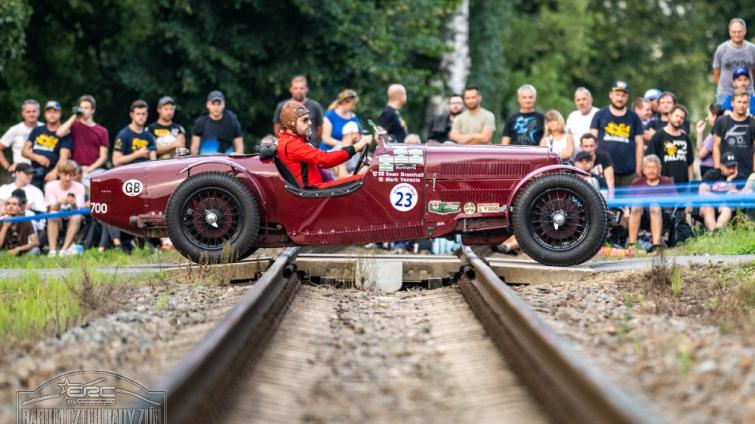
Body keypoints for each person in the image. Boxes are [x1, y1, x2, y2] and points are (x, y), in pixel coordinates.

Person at [277, 101, 371, 188]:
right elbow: (325, 159)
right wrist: (357, 147)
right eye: (304, 120)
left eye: (309, 119)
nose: (310, 123)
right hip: (312, 195)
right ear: (291, 124)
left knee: (363, 178)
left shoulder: (295, 140)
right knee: (363, 178)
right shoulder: (291, 144)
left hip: (317, 191)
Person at [590, 80, 645, 186]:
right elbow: (592, 140)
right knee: (603, 201)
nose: (620, 98)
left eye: (623, 95)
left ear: (627, 97)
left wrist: (638, 169)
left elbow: (640, 144)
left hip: (629, 172)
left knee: (629, 202)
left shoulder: (634, 117)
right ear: (610, 95)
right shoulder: (600, 115)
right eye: (617, 94)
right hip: (603, 169)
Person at [56, 95, 109, 187]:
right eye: (81, 108)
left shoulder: (102, 131)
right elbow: (59, 133)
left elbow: (103, 156)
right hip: (75, 169)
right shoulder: (74, 126)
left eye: (86, 108)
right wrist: (75, 116)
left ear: (93, 110)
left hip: (94, 170)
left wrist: (89, 168)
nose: (83, 110)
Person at [627, 155, 677, 252]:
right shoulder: (637, 183)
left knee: (654, 206)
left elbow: (674, 200)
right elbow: (629, 202)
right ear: (643, 170)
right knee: (637, 205)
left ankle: (656, 244)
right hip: (642, 216)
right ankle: (632, 244)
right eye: (648, 167)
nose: (651, 170)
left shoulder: (667, 182)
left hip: (662, 214)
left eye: (654, 167)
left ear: (659, 169)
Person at [22, 101, 72, 190]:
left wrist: (55, 172)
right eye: (49, 112)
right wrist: (37, 157)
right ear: (45, 114)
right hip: (34, 172)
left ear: (60, 114)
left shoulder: (65, 133)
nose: (52, 115)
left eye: (55, 112)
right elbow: (24, 151)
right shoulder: (37, 130)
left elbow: (63, 157)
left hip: (53, 172)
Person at [45, 160, 85, 256]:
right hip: (57, 219)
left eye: (71, 175)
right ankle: (52, 250)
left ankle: (64, 250)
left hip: (73, 219)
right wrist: (59, 202)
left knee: (77, 216)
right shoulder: (50, 186)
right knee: (53, 214)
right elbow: (51, 209)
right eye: (65, 175)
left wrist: (74, 204)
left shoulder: (80, 187)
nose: (68, 178)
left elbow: (79, 211)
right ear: (59, 174)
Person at [646, 105, 694, 186]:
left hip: (683, 186)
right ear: (670, 116)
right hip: (664, 186)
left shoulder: (686, 138)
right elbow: (651, 162)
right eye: (677, 116)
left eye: (682, 118)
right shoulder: (658, 136)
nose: (679, 119)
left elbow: (690, 164)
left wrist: (690, 184)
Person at [272, 76, 324, 147]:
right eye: (296, 88)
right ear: (291, 89)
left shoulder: (315, 106)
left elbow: (320, 129)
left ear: (306, 89)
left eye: (301, 88)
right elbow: (277, 129)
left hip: (311, 146)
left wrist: (311, 140)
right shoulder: (282, 106)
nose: (298, 91)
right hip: (289, 147)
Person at [712, 88, 755, 174]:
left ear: (748, 104)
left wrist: (754, 172)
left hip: (747, 173)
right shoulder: (721, 121)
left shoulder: (753, 123)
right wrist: (717, 169)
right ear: (732, 103)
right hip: (726, 172)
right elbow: (716, 146)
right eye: (739, 102)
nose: (742, 105)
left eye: (745, 102)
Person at [713, 18, 755, 103]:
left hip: (748, 94)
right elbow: (716, 72)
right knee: (723, 116)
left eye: (739, 32)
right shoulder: (721, 49)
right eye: (734, 32)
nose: (736, 34)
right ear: (729, 32)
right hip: (725, 94)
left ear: (745, 31)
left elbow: (754, 72)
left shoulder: (752, 49)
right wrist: (722, 88)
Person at [699, 152, 743, 231]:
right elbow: (702, 193)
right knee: (708, 208)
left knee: (727, 209)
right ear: (721, 166)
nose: (732, 170)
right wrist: (722, 197)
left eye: (734, 166)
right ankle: (713, 232)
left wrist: (730, 181)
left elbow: (743, 194)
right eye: (729, 167)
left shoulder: (738, 178)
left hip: (725, 205)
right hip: (709, 203)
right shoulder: (711, 174)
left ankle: (717, 233)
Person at [191, 90, 244, 155]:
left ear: (223, 104)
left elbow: (239, 146)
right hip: (206, 162)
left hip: (227, 162)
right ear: (208, 105)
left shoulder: (232, 121)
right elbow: (194, 148)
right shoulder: (201, 122)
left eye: (219, 104)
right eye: (213, 104)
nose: (216, 107)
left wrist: (237, 160)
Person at [0, 99, 41, 173]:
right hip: (20, 173)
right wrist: (7, 167)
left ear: (39, 112)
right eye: (28, 112)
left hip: (41, 172)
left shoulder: (44, 128)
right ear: (23, 114)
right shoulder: (15, 129)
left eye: (34, 111)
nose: (31, 114)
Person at [113, 100, 157, 166]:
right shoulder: (123, 135)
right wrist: (136, 155)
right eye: (138, 114)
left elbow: (154, 162)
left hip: (146, 172)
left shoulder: (149, 136)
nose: (141, 117)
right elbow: (116, 161)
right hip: (128, 173)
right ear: (131, 115)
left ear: (147, 115)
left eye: (143, 114)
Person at [565, 87, 599, 156]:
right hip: (575, 160)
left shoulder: (599, 114)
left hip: (593, 159)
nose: (581, 102)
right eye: (578, 100)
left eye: (584, 99)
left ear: (591, 99)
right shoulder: (572, 116)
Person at [696, 103, 724, 178]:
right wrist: (699, 133)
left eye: (709, 114)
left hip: (710, 170)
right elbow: (700, 150)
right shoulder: (713, 132)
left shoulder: (715, 135)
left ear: (714, 116)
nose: (707, 118)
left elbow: (701, 155)